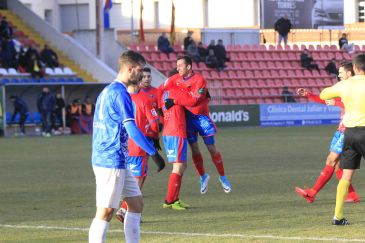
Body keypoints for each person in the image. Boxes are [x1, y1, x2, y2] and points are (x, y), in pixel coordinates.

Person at [89, 50, 165, 243]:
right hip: (111, 159)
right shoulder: (120, 94)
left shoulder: (106, 91)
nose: (142, 75)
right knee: (105, 212)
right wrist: (152, 152)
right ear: (130, 69)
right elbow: (131, 128)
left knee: (136, 203)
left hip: (117, 158)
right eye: (140, 70)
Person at [295, 61, 360, 204]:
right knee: (336, 165)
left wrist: (336, 103)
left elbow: (353, 105)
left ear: (350, 73)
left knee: (331, 160)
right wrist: (309, 95)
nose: (339, 75)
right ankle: (352, 195)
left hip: (349, 129)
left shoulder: (355, 87)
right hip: (343, 129)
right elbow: (327, 100)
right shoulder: (344, 87)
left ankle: (312, 193)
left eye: (341, 72)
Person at [166, 55, 231, 194]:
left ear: (188, 67)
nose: (177, 68)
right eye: (176, 66)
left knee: (211, 148)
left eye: (180, 66)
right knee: (195, 150)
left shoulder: (199, 80)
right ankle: (203, 177)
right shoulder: (176, 80)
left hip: (201, 118)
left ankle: (223, 177)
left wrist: (176, 100)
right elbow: (163, 88)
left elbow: (194, 101)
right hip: (188, 119)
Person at [319, 54, 365, 226]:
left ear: (354, 68)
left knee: (346, 176)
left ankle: (338, 217)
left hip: (350, 134)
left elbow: (324, 94)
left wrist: (336, 94)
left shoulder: (346, 84)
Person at [115, 73, 160, 223]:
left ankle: (129, 211)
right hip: (140, 146)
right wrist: (155, 138)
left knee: (138, 178)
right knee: (136, 182)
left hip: (123, 145)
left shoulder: (122, 98)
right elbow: (154, 123)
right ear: (139, 83)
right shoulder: (144, 99)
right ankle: (125, 210)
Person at [157, 66, 202, 210]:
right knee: (178, 167)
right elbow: (192, 101)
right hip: (176, 131)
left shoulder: (165, 93)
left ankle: (174, 199)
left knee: (181, 166)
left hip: (170, 131)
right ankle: (169, 200)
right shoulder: (176, 91)